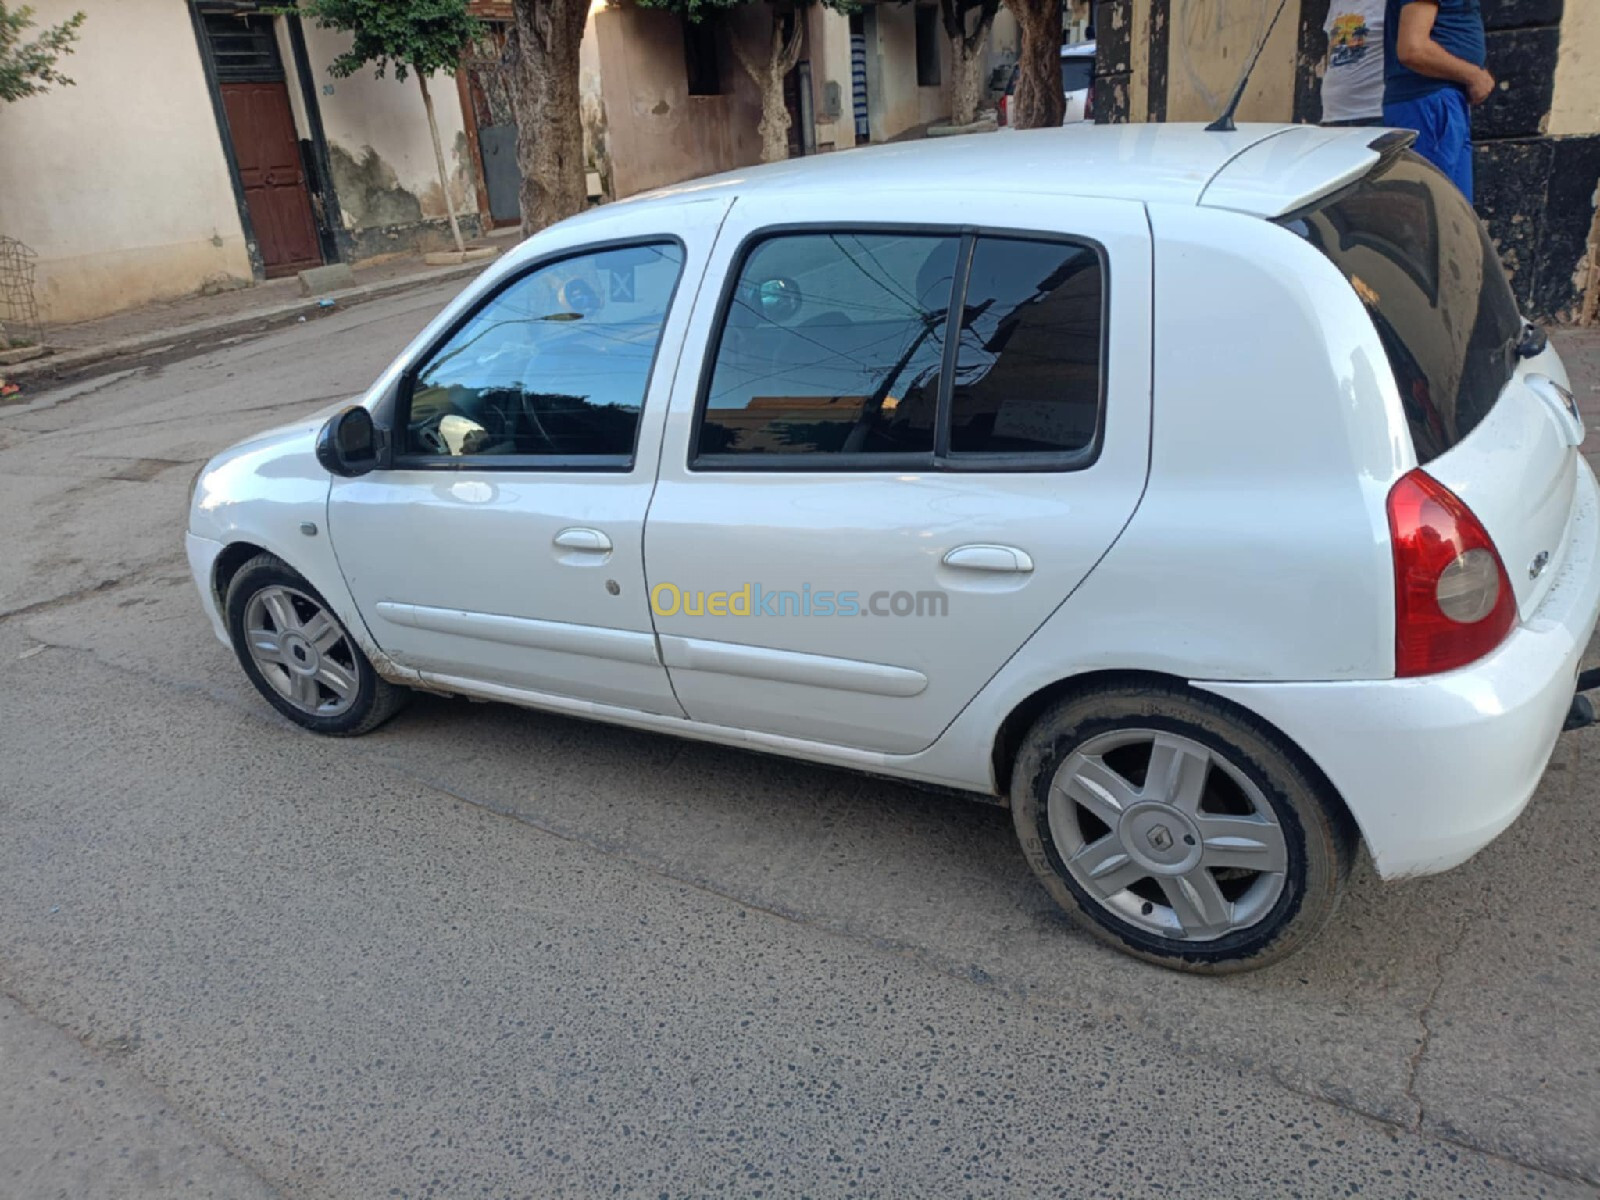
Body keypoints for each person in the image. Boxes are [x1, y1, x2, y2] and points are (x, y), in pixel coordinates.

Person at [1382, 0, 1495, 199]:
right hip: (1430, 104)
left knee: (1453, 212)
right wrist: (1473, 75)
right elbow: (1413, 50)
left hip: (1438, 102)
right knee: (1432, 208)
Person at [1322, 2, 1386, 126]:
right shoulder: (1337, 3)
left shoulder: (1389, 5)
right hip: (1333, 114)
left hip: (1373, 112)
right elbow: (1333, 50)